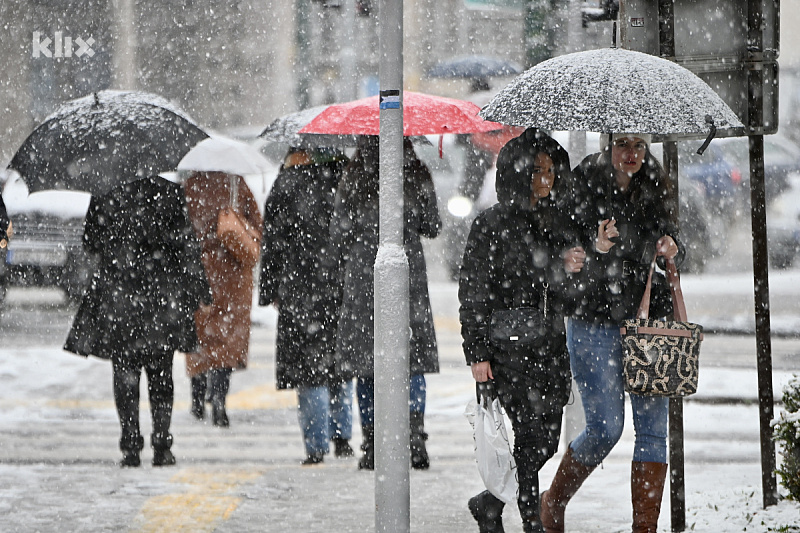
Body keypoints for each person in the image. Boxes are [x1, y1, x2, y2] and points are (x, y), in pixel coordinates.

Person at [540, 133, 685, 533]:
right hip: (594, 320)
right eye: (623, 143)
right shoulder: (585, 179)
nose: (631, 153)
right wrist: (596, 245)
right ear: (607, 143)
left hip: (647, 326)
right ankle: (553, 500)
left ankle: (645, 528)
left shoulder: (657, 181)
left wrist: (673, 247)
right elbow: (562, 250)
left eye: (638, 144)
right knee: (606, 427)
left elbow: (677, 243)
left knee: (654, 431)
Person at [459, 129, 585, 533]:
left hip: (549, 347)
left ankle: (491, 502)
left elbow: (571, 293)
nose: (545, 180)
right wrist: (477, 353)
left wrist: (574, 268)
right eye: (536, 172)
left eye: (550, 171)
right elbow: (474, 290)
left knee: (545, 440)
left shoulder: (560, 222)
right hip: (507, 348)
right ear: (518, 174)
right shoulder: (491, 224)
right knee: (530, 433)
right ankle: (532, 521)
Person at [64, 175, 211, 467]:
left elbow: (90, 242)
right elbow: (187, 247)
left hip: (121, 301)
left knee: (125, 373)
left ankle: (130, 445)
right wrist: (198, 289)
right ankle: (162, 444)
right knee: (160, 374)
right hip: (161, 301)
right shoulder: (170, 193)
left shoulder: (105, 192)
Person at [329, 136, 441, 471]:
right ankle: (414, 437)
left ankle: (374, 442)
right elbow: (432, 226)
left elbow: (339, 233)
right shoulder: (416, 171)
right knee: (411, 360)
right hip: (408, 276)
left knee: (368, 363)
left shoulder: (353, 174)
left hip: (366, 279)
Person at [259, 146, 355, 465]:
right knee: (339, 362)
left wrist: (270, 288)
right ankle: (342, 436)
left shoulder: (287, 183)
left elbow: (272, 240)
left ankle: (315, 446)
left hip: (299, 287)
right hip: (341, 284)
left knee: (308, 369)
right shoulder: (346, 178)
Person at [183, 170, 262, 428]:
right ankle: (219, 402)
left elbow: (180, 231)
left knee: (200, 335)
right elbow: (257, 226)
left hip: (200, 270)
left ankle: (196, 399)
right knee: (227, 339)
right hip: (234, 272)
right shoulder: (236, 184)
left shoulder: (190, 186)